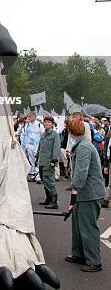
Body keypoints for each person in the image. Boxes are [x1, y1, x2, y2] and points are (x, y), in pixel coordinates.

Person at [65, 116, 105, 273]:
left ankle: (94, 261)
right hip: (85, 193)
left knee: (88, 227)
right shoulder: (82, 144)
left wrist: (74, 190)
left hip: (89, 193)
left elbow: (82, 172)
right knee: (77, 225)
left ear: (71, 131)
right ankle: (79, 254)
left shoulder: (83, 147)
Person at [37, 116, 61, 208]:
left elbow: (56, 148)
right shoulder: (43, 134)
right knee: (44, 180)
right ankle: (48, 199)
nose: (46, 123)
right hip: (42, 161)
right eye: (45, 122)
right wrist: (37, 156)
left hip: (49, 161)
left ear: (52, 124)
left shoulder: (55, 135)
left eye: (48, 122)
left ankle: (54, 202)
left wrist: (54, 160)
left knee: (49, 180)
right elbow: (40, 146)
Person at [24, 112, 44, 183]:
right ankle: (33, 175)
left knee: (36, 161)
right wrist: (26, 146)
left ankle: (38, 177)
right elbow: (26, 135)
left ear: (34, 117)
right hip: (30, 146)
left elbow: (42, 135)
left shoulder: (39, 125)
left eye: (30, 117)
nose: (29, 118)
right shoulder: (27, 125)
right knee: (31, 160)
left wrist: (41, 146)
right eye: (28, 117)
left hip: (37, 146)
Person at [101, 130, 111, 208]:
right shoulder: (108, 137)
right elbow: (106, 152)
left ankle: (106, 200)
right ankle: (106, 199)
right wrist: (106, 165)